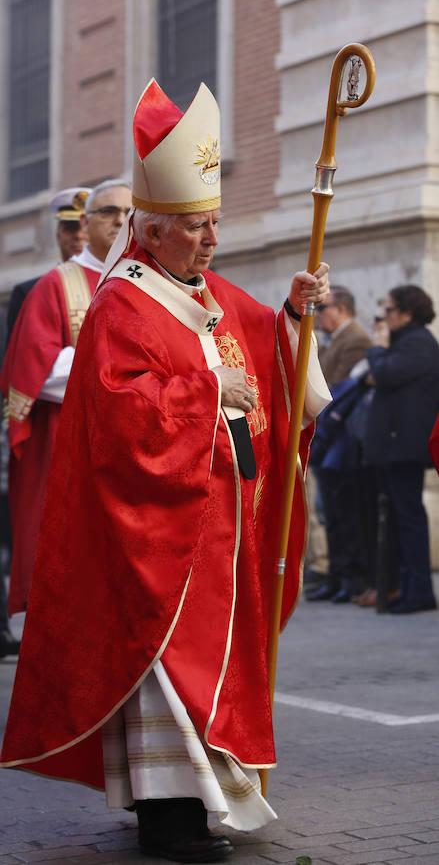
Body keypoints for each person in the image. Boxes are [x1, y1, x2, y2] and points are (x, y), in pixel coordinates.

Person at [0, 80, 331, 863]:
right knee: (165, 672)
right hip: (159, 532)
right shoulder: (123, 302)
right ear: (151, 231)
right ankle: (167, 816)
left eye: (213, 222)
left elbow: (269, 358)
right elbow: (122, 411)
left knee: (202, 671)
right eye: (195, 226)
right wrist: (213, 388)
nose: (211, 238)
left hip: (219, 520)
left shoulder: (206, 291)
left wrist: (292, 315)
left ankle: (201, 798)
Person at [0, 179, 131, 616]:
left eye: (128, 213)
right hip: (71, 449)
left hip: (136, 451)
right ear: (85, 224)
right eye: (109, 213)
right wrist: (123, 367)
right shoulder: (56, 286)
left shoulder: (150, 280)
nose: (120, 221)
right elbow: (37, 372)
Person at [364, 284, 439, 614]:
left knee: (409, 518)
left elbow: (382, 374)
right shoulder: (406, 342)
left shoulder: (418, 343)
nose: (382, 318)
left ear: (407, 313)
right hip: (394, 445)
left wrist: (378, 348)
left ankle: (419, 591)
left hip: (404, 446)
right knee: (398, 518)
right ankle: (404, 588)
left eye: (388, 311)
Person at [306, 287, 371, 603]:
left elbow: (336, 389)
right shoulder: (331, 340)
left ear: (341, 309)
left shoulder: (356, 339)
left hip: (342, 442)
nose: (318, 316)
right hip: (326, 440)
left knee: (345, 514)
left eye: (324, 309)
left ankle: (350, 578)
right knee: (329, 513)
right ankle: (336, 575)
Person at [6, 187, 90, 341]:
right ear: (58, 235)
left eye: (86, 228)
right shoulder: (27, 292)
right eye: (70, 228)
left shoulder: (111, 287)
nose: (78, 235)